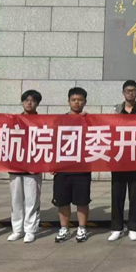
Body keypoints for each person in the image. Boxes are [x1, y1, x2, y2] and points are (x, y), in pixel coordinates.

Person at [109, 80, 136, 242]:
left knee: (135, 194)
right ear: (123, 93)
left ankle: (133, 227)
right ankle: (117, 228)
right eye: (127, 90)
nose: (130, 93)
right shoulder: (116, 109)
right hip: (119, 157)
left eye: (133, 90)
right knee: (117, 194)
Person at [53, 87, 92, 243]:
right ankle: (64, 228)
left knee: (82, 200)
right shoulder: (60, 120)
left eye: (80, 100)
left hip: (82, 167)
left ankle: (82, 228)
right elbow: (53, 142)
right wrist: (52, 164)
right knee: (62, 200)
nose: (77, 103)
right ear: (68, 101)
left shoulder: (90, 120)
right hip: (63, 167)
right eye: (74, 100)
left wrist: (87, 120)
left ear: (85, 102)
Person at [8, 89, 43, 244]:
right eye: (26, 100)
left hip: (33, 165)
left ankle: (30, 230)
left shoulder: (42, 121)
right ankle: (17, 229)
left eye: (33, 101)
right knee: (16, 199)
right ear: (22, 102)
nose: (29, 103)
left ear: (37, 104)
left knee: (32, 200)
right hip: (15, 164)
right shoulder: (14, 120)